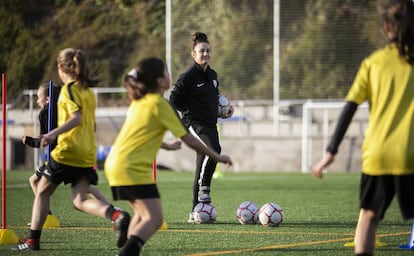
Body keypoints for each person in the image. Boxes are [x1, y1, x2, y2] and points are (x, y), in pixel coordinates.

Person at [311, 1, 414, 255]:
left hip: (377, 154)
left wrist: (330, 152)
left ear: (386, 27)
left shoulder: (373, 62)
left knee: (369, 215)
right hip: (410, 154)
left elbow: (349, 108)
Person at [104, 57, 233, 255]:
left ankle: (129, 246)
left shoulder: (139, 102)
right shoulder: (160, 104)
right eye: (165, 71)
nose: (169, 74)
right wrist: (216, 155)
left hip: (115, 164)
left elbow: (136, 136)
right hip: (132, 168)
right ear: (159, 81)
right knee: (155, 219)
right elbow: (188, 139)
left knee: (141, 216)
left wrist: (165, 145)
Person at [13, 48, 130, 251]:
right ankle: (116, 215)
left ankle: (32, 241)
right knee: (79, 200)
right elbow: (90, 124)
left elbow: (76, 118)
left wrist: (51, 134)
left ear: (61, 68)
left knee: (41, 191)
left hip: (67, 151)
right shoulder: (88, 93)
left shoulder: (67, 90)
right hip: (86, 153)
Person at [22, 83, 114, 224]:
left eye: (38, 98)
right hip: (75, 151)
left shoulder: (45, 113)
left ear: (47, 99)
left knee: (37, 184)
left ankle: (44, 220)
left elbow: (44, 140)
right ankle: (114, 213)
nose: (36, 101)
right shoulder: (65, 109)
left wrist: (28, 141)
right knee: (87, 188)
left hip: (59, 157)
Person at [169, 32, 234, 223]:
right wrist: (181, 121)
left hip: (210, 125)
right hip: (193, 124)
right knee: (214, 150)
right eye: (201, 51)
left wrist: (225, 110)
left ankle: (194, 211)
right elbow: (173, 100)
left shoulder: (213, 75)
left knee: (201, 164)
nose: (205, 54)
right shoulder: (188, 76)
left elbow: (214, 99)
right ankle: (205, 190)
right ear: (193, 54)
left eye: (207, 50)